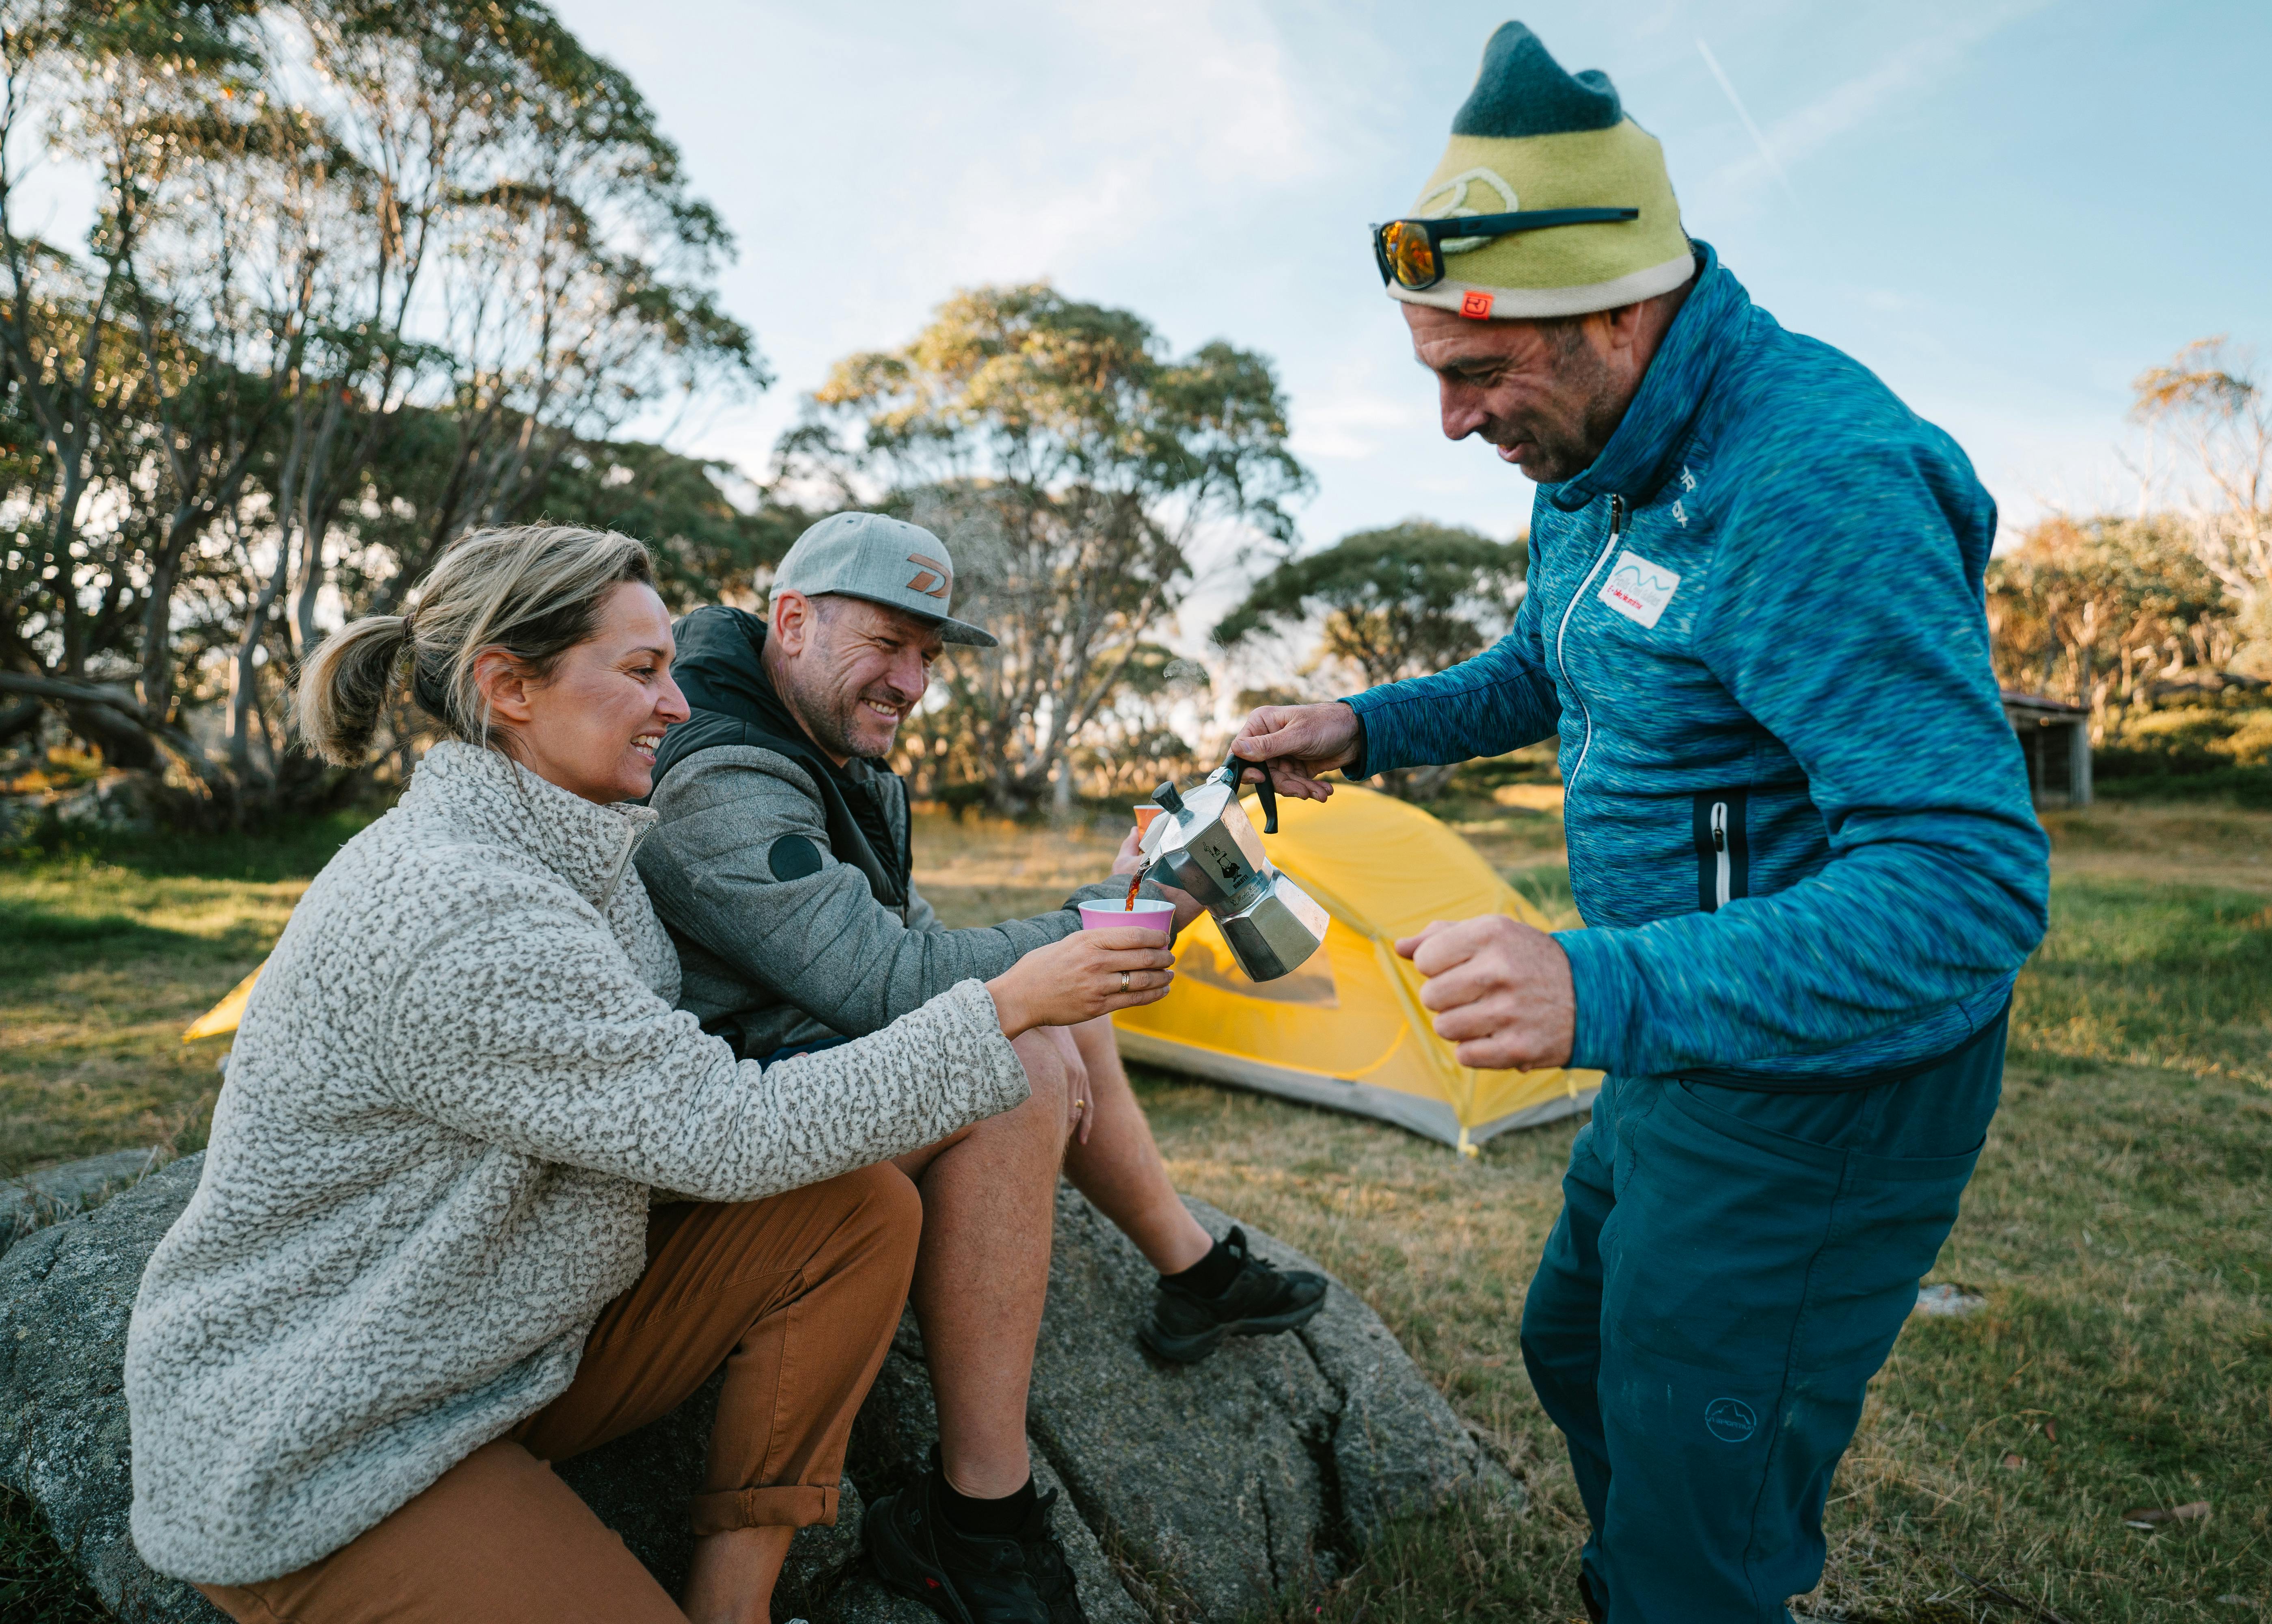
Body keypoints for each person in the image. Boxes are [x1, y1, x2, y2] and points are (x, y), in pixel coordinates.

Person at [1227, 24, 2050, 1624]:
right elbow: (1554, 658)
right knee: (1573, 1340)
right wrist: (1366, 725)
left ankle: (1688, 1584)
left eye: (1477, 372)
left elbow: (1967, 885)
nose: (1456, 422)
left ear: (1618, 310)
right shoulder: (1593, 459)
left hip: (1826, 1082)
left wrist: (1598, 989)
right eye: (1435, 374)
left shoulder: (1815, 486)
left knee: (1699, 1469)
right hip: (1685, 1037)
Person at [123, 525, 1174, 1624]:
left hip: (493, 1349)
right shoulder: (455, 908)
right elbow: (724, 1132)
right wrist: (1013, 1005)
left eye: (672, 667)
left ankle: (738, 1606)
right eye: (641, 673)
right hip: (327, 1433)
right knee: (874, 1142)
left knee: (855, 1212)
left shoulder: (584, 841)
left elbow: (686, 1105)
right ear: (507, 687)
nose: (678, 706)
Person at [633, 510, 1327, 1624]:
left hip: (795, 1055)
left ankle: (1192, 1272)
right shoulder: (718, 772)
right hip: (728, 1123)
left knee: (1057, 994)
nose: (912, 680)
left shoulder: (827, 737)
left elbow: (921, 946)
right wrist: (1108, 929)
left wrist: (1115, 914)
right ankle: (978, 1511)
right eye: (888, 644)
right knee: (1026, 1058)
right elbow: (880, 979)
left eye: (930, 655)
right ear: (793, 619)